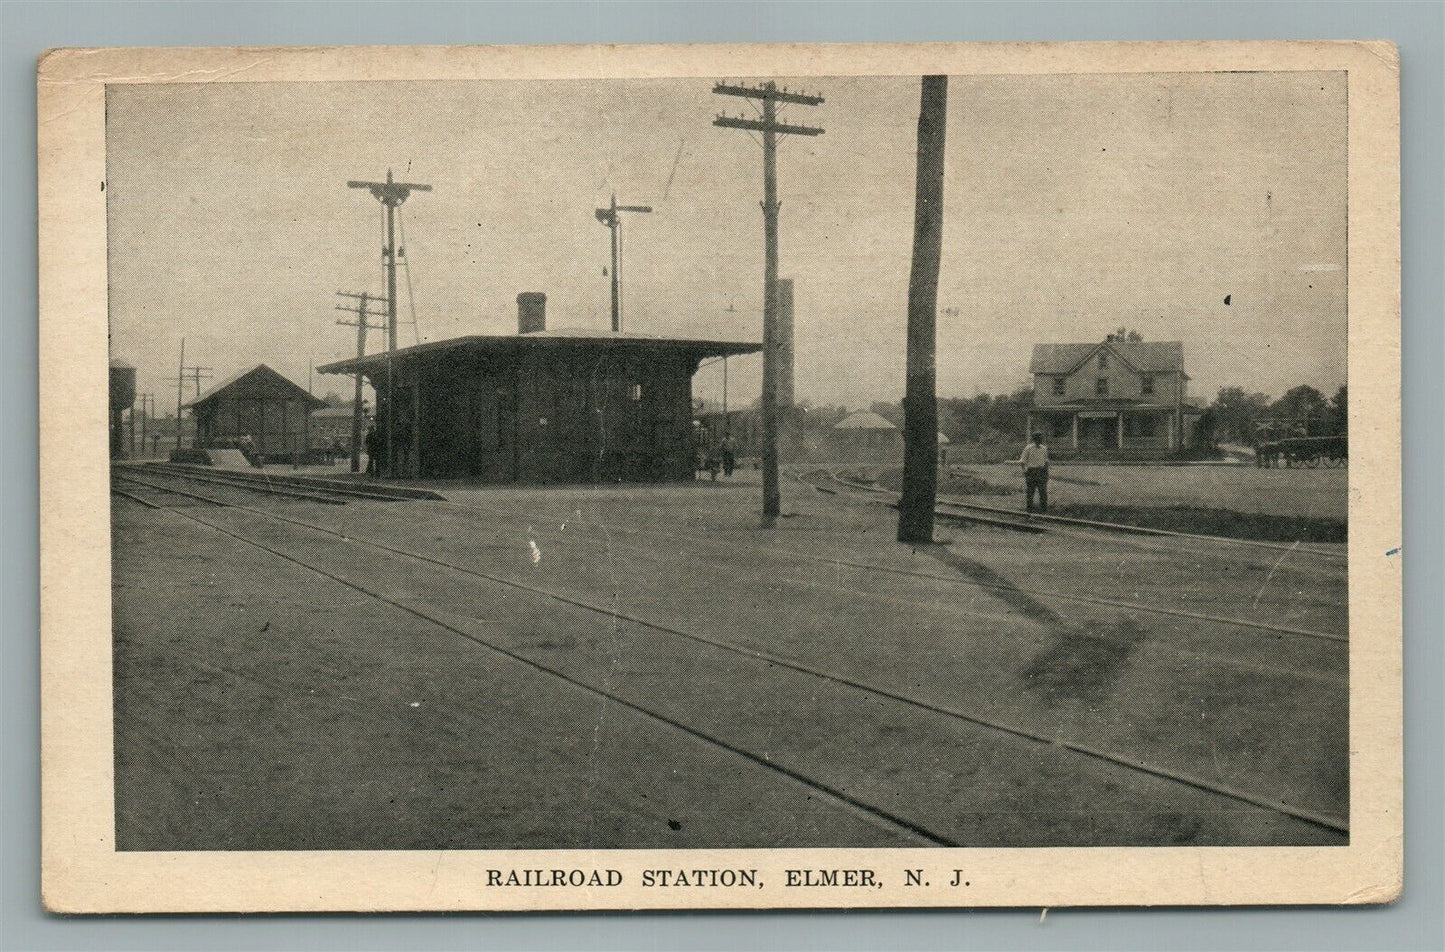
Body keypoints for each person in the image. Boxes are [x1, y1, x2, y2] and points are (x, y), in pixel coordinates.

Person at [1020, 432, 1049, 514]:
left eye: (1041, 438)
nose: (1040, 440)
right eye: (1038, 438)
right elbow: (1022, 461)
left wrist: (1046, 472)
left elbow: (1046, 461)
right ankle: (1029, 511)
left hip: (1041, 472)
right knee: (1030, 492)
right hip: (1031, 472)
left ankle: (1044, 511)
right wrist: (1025, 471)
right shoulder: (1028, 448)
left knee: (1043, 492)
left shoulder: (1044, 448)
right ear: (1034, 439)